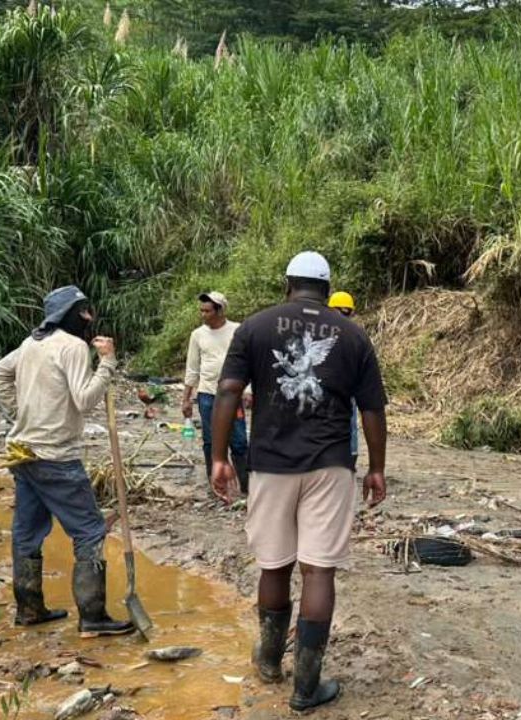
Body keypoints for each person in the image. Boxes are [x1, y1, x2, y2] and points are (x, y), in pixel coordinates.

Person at [209, 252, 388, 712]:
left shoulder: (254, 327)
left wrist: (219, 457)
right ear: (328, 290)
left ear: (287, 283)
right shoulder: (353, 335)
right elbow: (372, 409)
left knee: (275, 564)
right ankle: (307, 689)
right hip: (330, 465)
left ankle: (269, 660)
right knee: (318, 569)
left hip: (269, 464)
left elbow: (229, 391)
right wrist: (376, 468)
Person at [0, 286, 134, 638]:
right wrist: (108, 363)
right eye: (83, 311)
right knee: (89, 530)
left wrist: (20, 411)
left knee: (27, 530)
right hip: (56, 455)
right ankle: (93, 616)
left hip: (22, 452)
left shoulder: (31, 344)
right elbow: (84, 400)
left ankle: (29, 609)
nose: (89, 318)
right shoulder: (72, 347)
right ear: (71, 314)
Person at [181, 291, 250, 493]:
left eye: (208, 311)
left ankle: (246, 487)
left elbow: (248, 363)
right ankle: (216, 485)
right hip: (207, 395)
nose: (203, 315)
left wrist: (248, 390)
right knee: (210, 441)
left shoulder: (237, 331)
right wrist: (186, 399)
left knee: (238, 441)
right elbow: (192, 368)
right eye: (201, 311)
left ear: (220, 310)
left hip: (234, 395)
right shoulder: (198, 335)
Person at [328, 291, 360, 461]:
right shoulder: (356, 334)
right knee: (349, 422)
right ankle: (350, 455)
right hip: (350, 386)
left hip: (332, 387)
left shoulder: (325, 332)